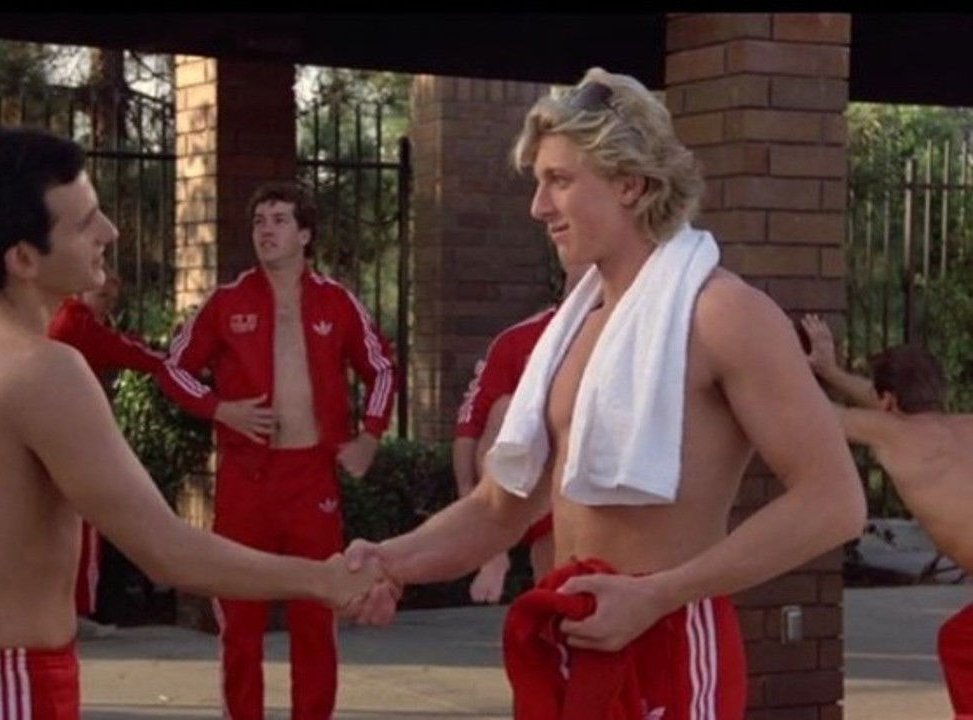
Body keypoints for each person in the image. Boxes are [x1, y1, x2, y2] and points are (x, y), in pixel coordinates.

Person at [344, 67, 866, 718]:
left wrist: (658, 595)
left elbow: (833, 503)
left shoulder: (723, 314)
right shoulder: (575, 329)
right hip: (572, 634)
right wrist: (387, 560)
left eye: (559, 180)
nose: (538, 207)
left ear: (629, 183)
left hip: (669, 637)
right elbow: (498, 508)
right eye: (539, 182)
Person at [0, 125, 378, 720]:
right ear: (23, 258)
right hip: (14, 685)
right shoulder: (44, 369)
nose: (110, 232)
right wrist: (325, 580)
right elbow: (166, 550)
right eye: (86, 222)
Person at [156, 180, 397, 720]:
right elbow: (172, 370)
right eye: (259, 221)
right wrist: (221, 409)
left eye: (280, 220)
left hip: (310, 477)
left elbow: (382, 368)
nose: (266, 230)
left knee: (316, 615)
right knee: (240, 621)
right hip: (246, 479)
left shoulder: (336, 301)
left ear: (305, 234)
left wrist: (369, 437)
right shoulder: (227, 301)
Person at [802, 314, 973, 716]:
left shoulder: (891, 434)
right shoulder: (965, 425)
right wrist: (831, 371)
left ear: (888, 402)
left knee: (961, 644)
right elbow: (890, 403)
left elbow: (812, 410)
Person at [47, 268, 164, 634]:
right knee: (85, 523)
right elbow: (128, 351)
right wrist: (175, 360)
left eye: (111, 300)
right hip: (74, 437)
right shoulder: (78, 324)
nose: (107, 306)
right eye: (101, 297)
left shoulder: (64, 319)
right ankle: (78, 610)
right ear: (81, 293)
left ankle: (63, 608)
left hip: (59, 435)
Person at [454, 307, 557, 603]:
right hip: (528, 478)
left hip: (581, 480)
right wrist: (470, 502)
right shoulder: (520, 339)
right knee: (504, 407)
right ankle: (494, 548)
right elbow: (471, 423)